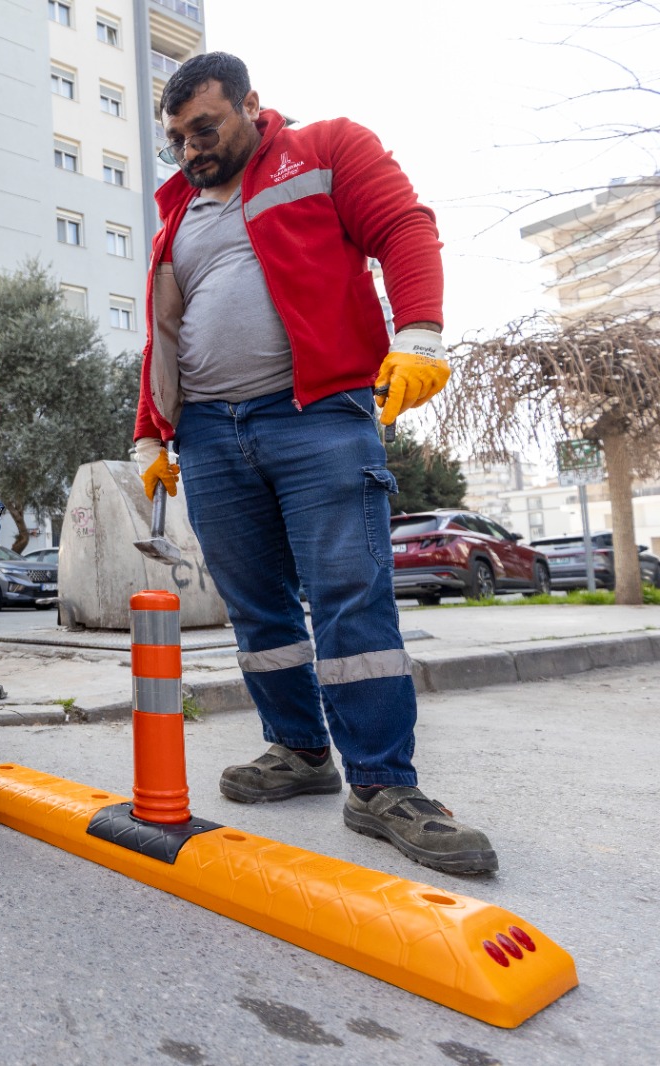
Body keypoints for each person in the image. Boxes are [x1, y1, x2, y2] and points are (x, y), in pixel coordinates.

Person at [135, 53, 497, 875]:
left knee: (348, 595)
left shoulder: (326, 149)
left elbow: (405, 226)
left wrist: (421, 335)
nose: (190, 149)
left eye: (205, 128)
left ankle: (380, 783)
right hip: (210, 435)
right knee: (257, 607)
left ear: (251, 106)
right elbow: (165, 336)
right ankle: (298, 751)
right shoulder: (174, 216)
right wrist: (152, 433)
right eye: (175, 139)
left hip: (318, 414)